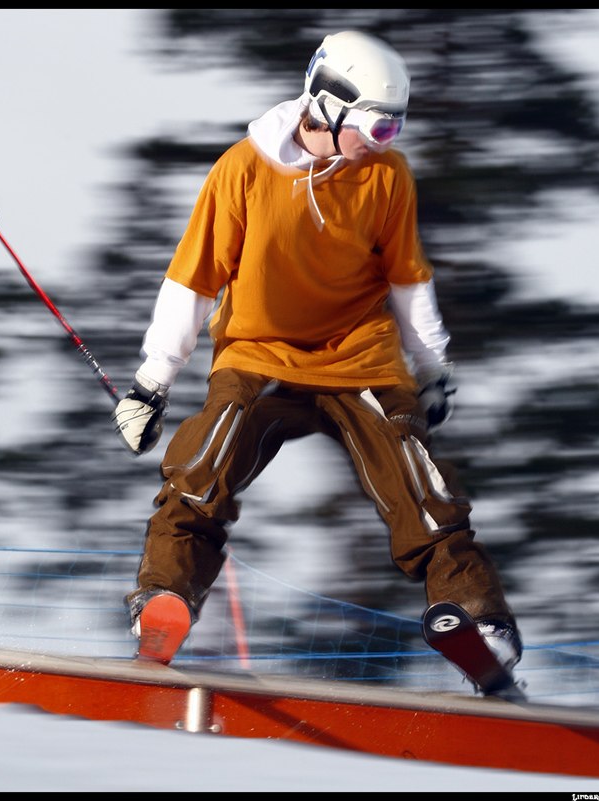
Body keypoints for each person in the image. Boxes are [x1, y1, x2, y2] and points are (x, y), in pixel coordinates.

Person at [112, 30, 522, 676]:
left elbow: (408, 280)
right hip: (259, 354)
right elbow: (192, 281)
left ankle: (478, 616)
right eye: (379, 128)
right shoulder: (242, 172)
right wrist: (151, 382)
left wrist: (433, 369)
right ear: (328, 106)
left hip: (362, 358)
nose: (386, 143)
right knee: (202, 463)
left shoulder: (385, 176)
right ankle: (164, 595)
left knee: (420, 482)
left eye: (396, 129)